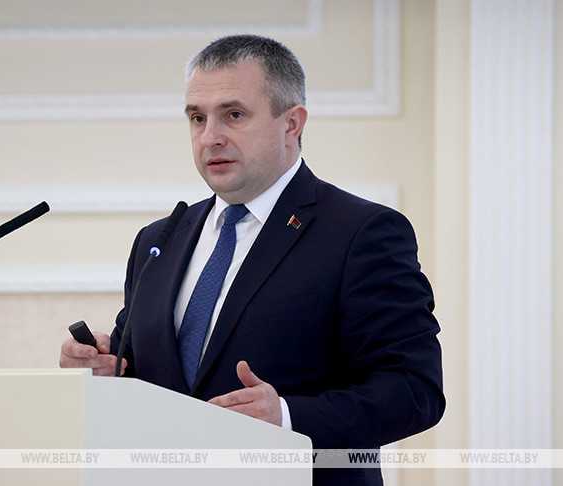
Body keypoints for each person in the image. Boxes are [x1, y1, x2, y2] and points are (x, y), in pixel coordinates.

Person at [60, 34, 445, 486]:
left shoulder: (361, 232)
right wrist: (104, 370)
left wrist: (286, 416)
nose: (210, 137)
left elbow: (414, 391)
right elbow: (146, 377)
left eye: (234, 115)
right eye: (197, 118)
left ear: (292, 124)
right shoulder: (159, 239)